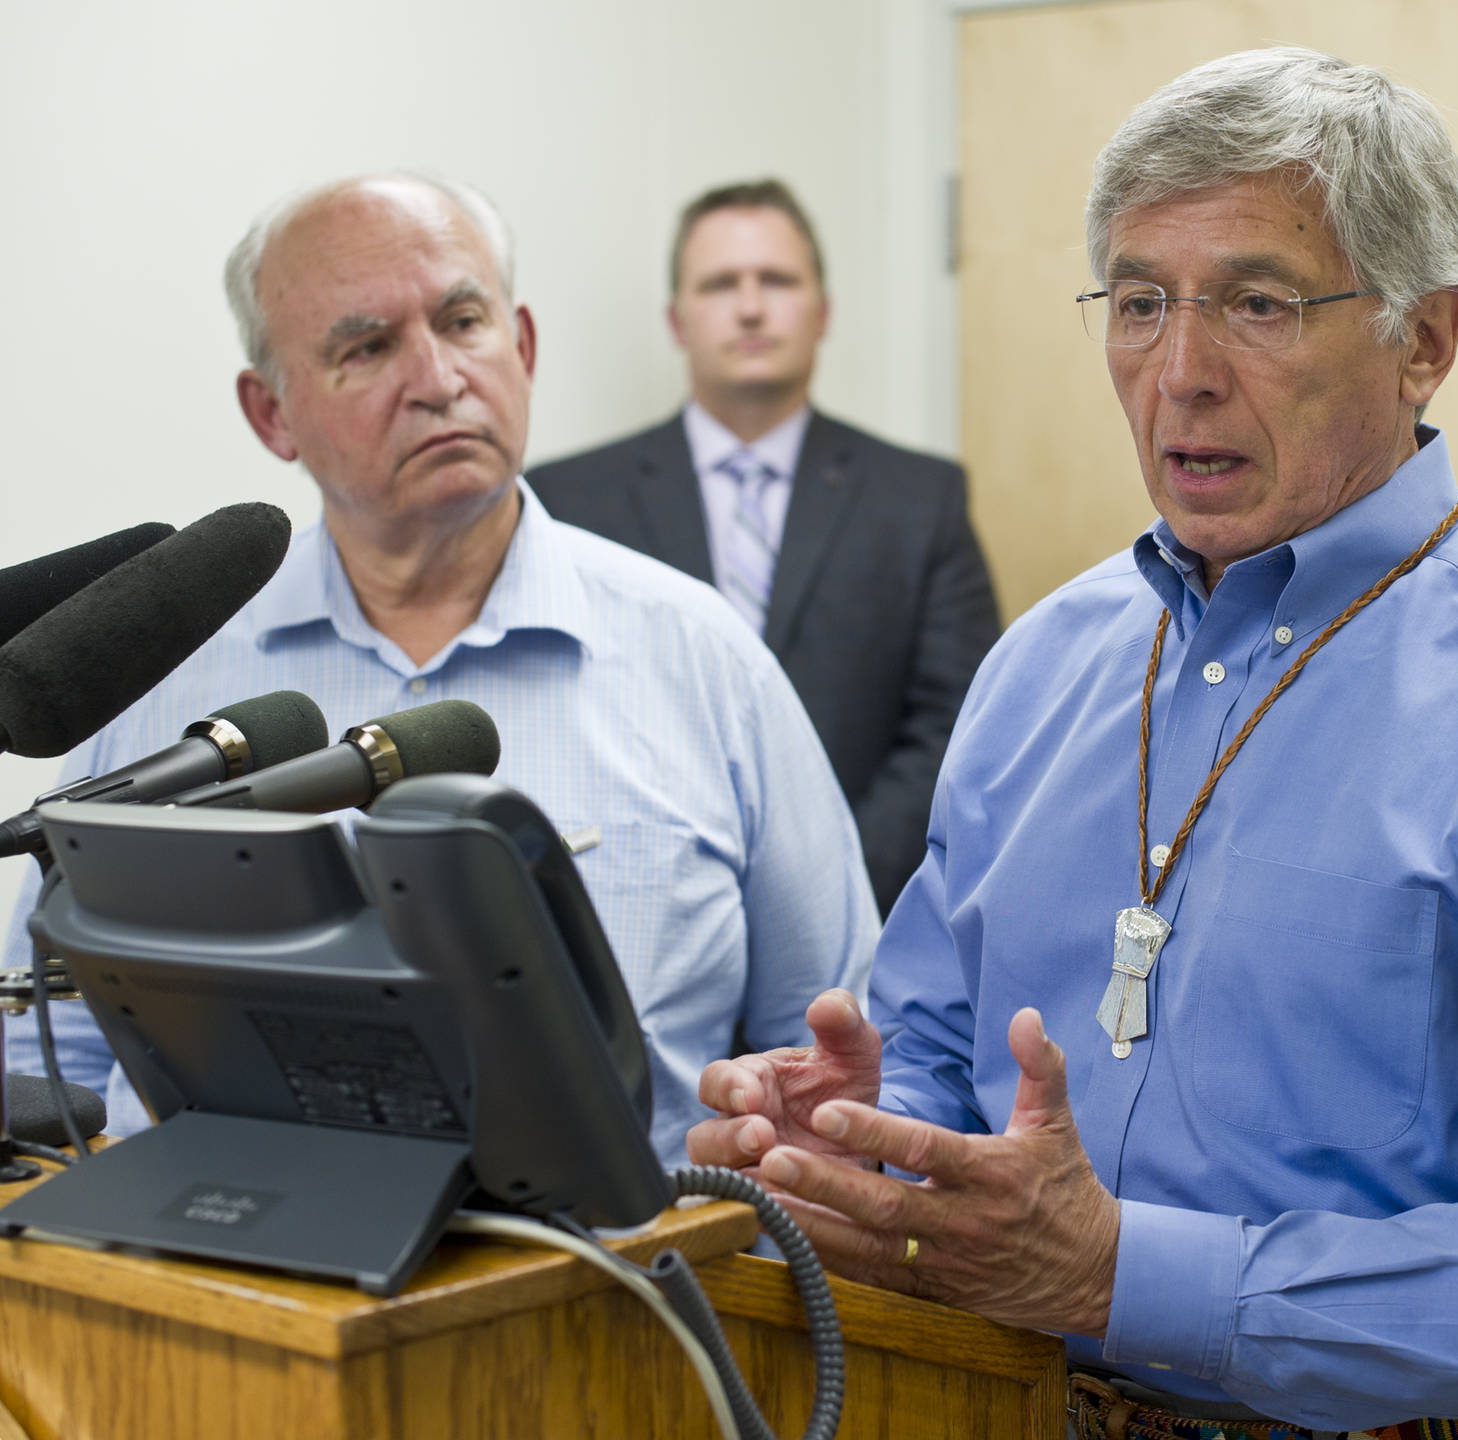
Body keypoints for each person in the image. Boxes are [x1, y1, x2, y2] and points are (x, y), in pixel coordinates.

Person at [686, 48, 1458, 1438]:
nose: (1178, 375)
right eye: (1138, 305)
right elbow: (937, 1047)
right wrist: (872, 1137)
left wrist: (1129, 1275)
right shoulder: (1042, 665)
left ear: (1425, 337)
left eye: (1258, 303)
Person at [1, 173, 879, 1169]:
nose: (438, 377)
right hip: (220, 1288)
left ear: (525, 348)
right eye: (367, 345)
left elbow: (832, 1048)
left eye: (464, 320)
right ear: (271, 415)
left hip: (611, 1297)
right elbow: (48, 1050)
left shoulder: (702, 656)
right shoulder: (167, 672)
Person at [528, 180, 1000, 912]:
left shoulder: (919, 499)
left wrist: (827, 886)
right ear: (677, 320)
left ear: (823, 312)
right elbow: (554, 720)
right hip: (636, 915)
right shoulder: (568, 503)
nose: (750, 306)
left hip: (864, 921)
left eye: (776, 280)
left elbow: (958, 724)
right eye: (720, 284)